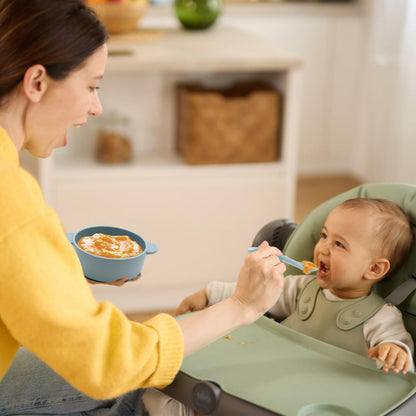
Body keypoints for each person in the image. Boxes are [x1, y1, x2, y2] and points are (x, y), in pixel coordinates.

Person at [0, 1, 286, 414]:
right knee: (130, 384)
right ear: (38, 83)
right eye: (92, 85)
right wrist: (241, 306)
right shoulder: (14, 200)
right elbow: (111, 361)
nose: (96, 107)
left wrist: (58, 261)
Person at [143, 197, 415, 415]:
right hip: (264, 385)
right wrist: (209, 293)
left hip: (311, 401)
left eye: (339, 244)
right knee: (155, 396)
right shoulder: (302, 288)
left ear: (375, 268)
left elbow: (399, 349)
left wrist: (393, 351)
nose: (322, 248)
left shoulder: (380, 315)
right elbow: (253, 294)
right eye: (323, 236)